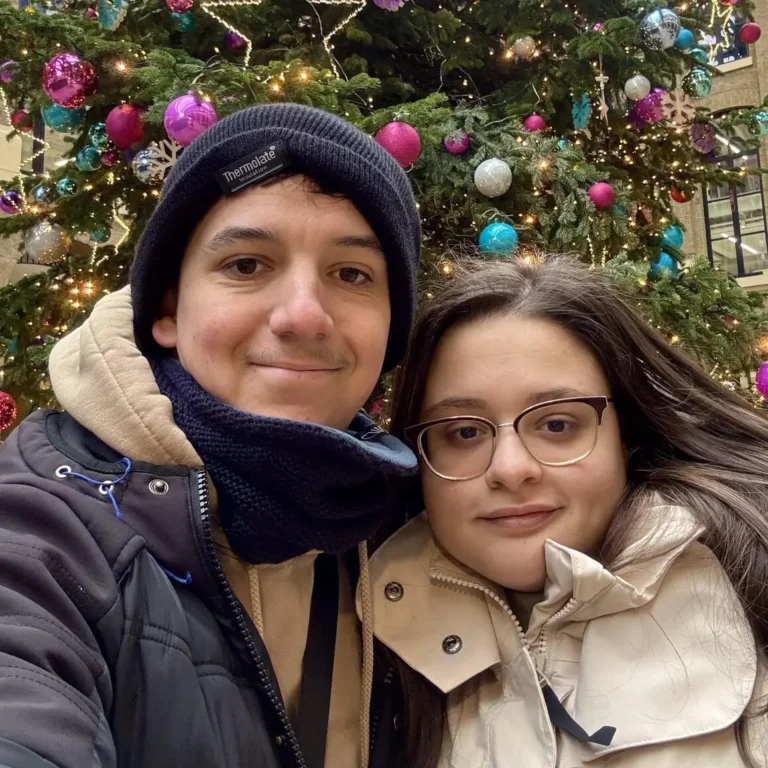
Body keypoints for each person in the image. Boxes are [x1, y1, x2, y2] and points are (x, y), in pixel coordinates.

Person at [0, 103, 421, 768]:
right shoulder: (44, 532)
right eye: (247, 265)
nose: (305, 315)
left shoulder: (407, 529)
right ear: (166, 307)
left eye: (351, 274)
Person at [362, 255, 768, 767]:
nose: (510, 470)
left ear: (625, 437)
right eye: (463, 432)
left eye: (557, 425)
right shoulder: (361, 655)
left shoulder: (755, 584)